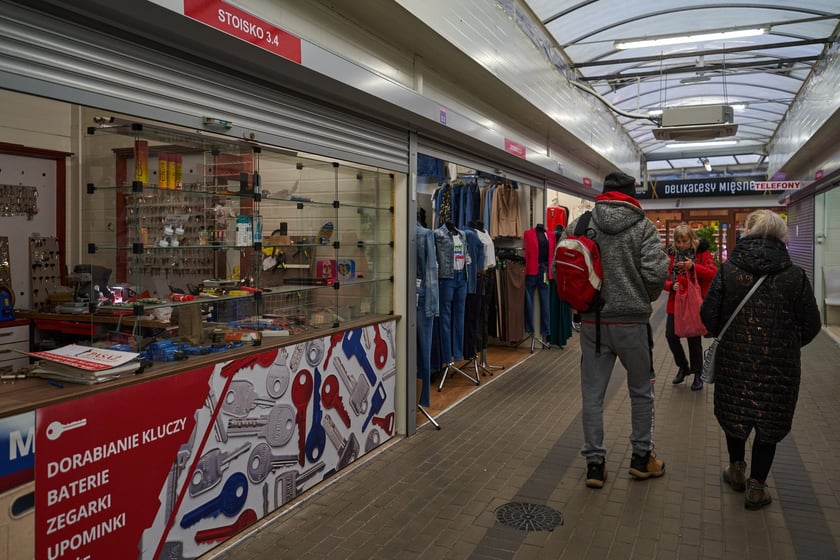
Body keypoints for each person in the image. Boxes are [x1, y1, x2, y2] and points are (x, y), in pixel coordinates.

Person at [700, 209, 820, 510]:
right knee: (770, 421)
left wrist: (728, 337)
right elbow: (812, 325)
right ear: (781, 236)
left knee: (735, 414)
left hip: (734, 361)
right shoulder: (795, 276)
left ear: (748, 232)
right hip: (780, 366)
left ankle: (736, 470)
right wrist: (787, 345)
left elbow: (708, 314)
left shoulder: (729, 270)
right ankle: (757, 487)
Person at [563, 171, 669, 489]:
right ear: (631, 195)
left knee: (593, 395)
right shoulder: (644, 227)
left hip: (593, 323)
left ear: (604, 193)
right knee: (641, 391)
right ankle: (641, 458)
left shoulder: (581, 224)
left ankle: (595, 465)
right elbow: (656, 274)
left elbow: (564, 264)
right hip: (632, 323)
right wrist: (641, 297)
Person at [664, 224, 717, 390]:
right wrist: (670, 285)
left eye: (684, 241)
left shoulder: (701, 253)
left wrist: (693, 266)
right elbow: (661, 278)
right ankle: (683, 366)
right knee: (671, 335)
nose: (681, 245)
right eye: (678, 242)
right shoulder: (671, 255)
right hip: (676, 302)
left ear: (691, 240)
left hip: (695, 302)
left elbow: (713, 273)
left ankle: (697, 373)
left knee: (694, 339)